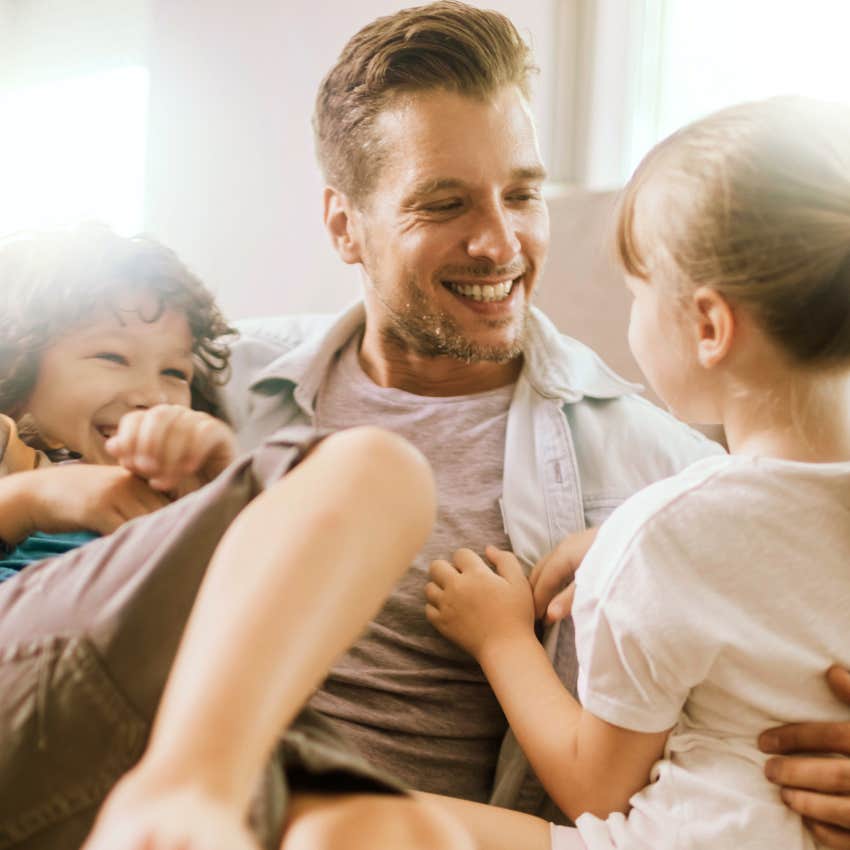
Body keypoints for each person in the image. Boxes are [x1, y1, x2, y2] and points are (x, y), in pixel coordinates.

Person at [217, 5, 850, 844]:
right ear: (345, 225)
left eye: (522, 193)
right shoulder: (213, 385)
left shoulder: (659, 471)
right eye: (445, 203)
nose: (499, 242)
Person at [422, 95, 850, 849]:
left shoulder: (662, 535)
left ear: (709, 327)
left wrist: (500, 639)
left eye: (636, 290)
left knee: (358, 816)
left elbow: (597, 785)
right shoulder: (665, 535)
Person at [0, 224, 237, 579]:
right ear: (14, 362)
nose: (153, 397)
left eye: (175, 372)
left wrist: (222, 489)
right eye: (112, 357)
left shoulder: (169, 487)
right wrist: (27, 500)